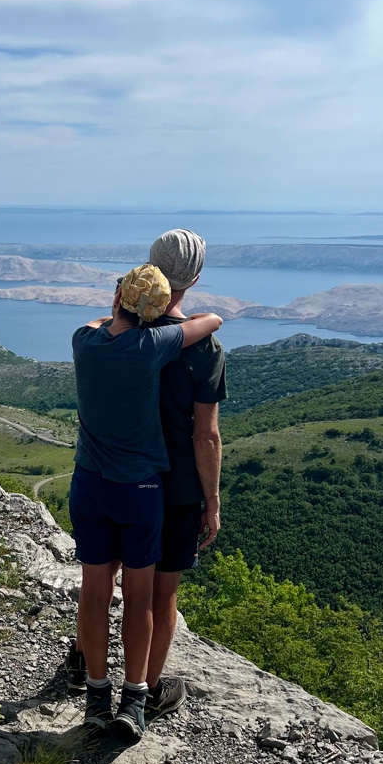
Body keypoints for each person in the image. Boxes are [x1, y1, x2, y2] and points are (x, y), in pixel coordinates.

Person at [67, 264, 222, 740]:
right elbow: (209, 321)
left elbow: (99, 323)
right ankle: (134, 700)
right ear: (155, 311)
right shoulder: (152, 346)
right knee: (139, 597)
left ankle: (95, 696)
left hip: (89, 484)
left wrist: (118, 306)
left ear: (117, 301)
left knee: (94, 593)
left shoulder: (84, 342)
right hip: (141, 492)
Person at [143, 229, 227, 722]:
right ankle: (148, 689)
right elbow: (206, 436)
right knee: (163, 589)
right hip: (175, 489)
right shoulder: (203, 348)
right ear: (195, 277)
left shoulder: (120, 331)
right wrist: (212, 503)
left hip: (119, 477)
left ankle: (83, 662)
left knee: (102, 575)